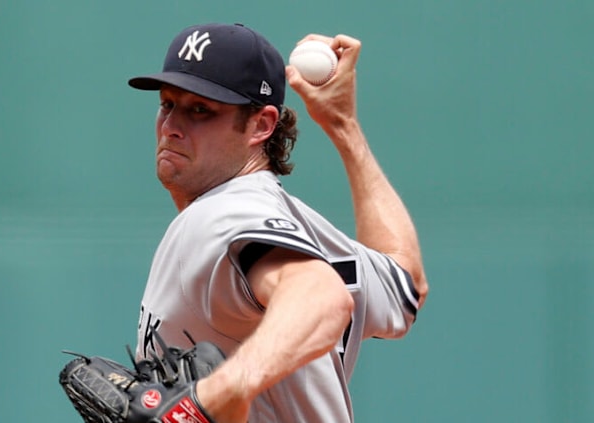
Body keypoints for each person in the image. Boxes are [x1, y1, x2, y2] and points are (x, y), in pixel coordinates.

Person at [127, 22, 428, 423]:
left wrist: (219, 392)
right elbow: (404, 284)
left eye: (201, 110)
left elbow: (323, 298)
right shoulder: (296, 224)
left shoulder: (224, 213)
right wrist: (343, 125)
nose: (172, 126)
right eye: (168, 104)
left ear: (262, 125)